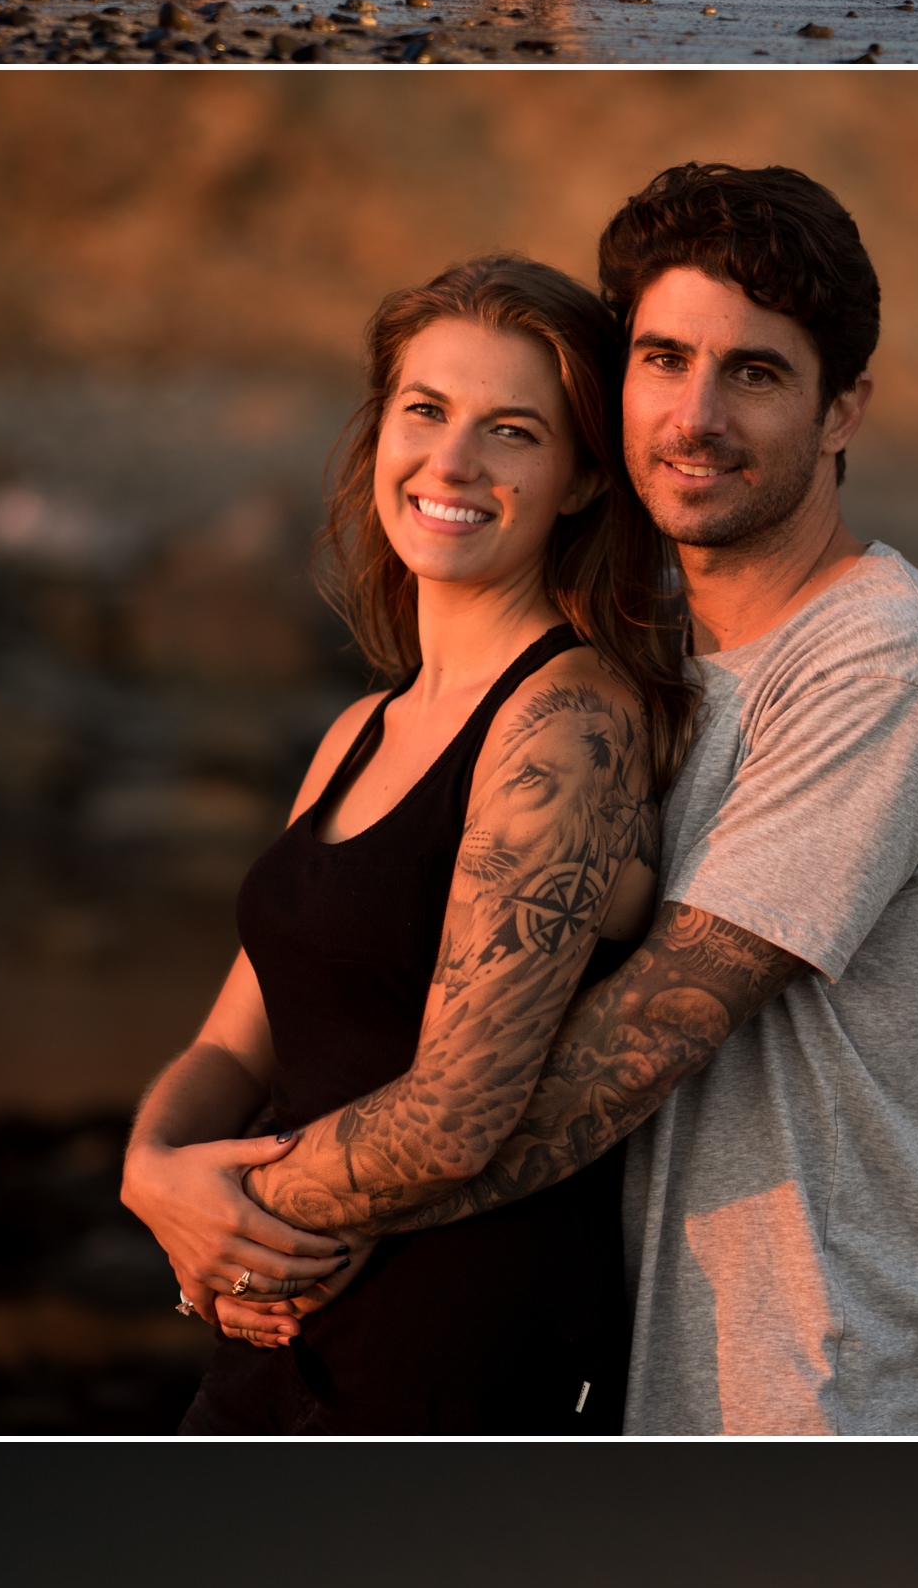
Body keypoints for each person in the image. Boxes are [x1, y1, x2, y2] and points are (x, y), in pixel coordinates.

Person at [218, 156, 918, 1443]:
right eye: (662, 358)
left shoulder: (878, 663)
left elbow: (633, 1045)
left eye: (753, 372)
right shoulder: (645, 660)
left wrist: (250, 1208)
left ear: (843, 408)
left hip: (797, 1402)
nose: (694, 415)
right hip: (611, 1380)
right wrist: (173, 1169)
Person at [119, 249, 688, 1432]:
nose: (452, 460)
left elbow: (455, 1111)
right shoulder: (358, 729)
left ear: (585, 478)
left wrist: (226, 1219)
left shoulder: (567, 721)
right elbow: (232, 1038)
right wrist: (153, 1167)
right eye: (424, 409)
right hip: (283, 1332)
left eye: (512, 431)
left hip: (453, 1349)